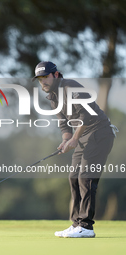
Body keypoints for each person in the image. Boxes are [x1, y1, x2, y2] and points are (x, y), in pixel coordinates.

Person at [32, 61, 118, 238]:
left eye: (45, 77)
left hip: (99, 133)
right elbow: (64, 124)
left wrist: (75, 138)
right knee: (74, 178)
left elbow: (86, 114)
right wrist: (66, 140)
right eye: (39, 79)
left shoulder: (70, 86)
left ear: (55, 75)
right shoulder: (53, 98)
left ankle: (86, 226)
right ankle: (76, 224)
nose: (43, 82)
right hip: (84, 136)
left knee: (86, 178)